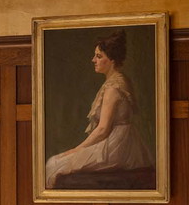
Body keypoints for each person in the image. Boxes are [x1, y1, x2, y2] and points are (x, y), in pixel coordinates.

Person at [45, 29, 153, 188]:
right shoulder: (120, 80)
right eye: (95, 55)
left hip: (115, 147)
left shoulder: (112, 89)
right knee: (55, 162)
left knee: (54, 163)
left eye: (99, 56)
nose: (93, 60)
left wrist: (76, 150)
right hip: (126, 142)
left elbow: (103, 129)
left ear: (112, 60)